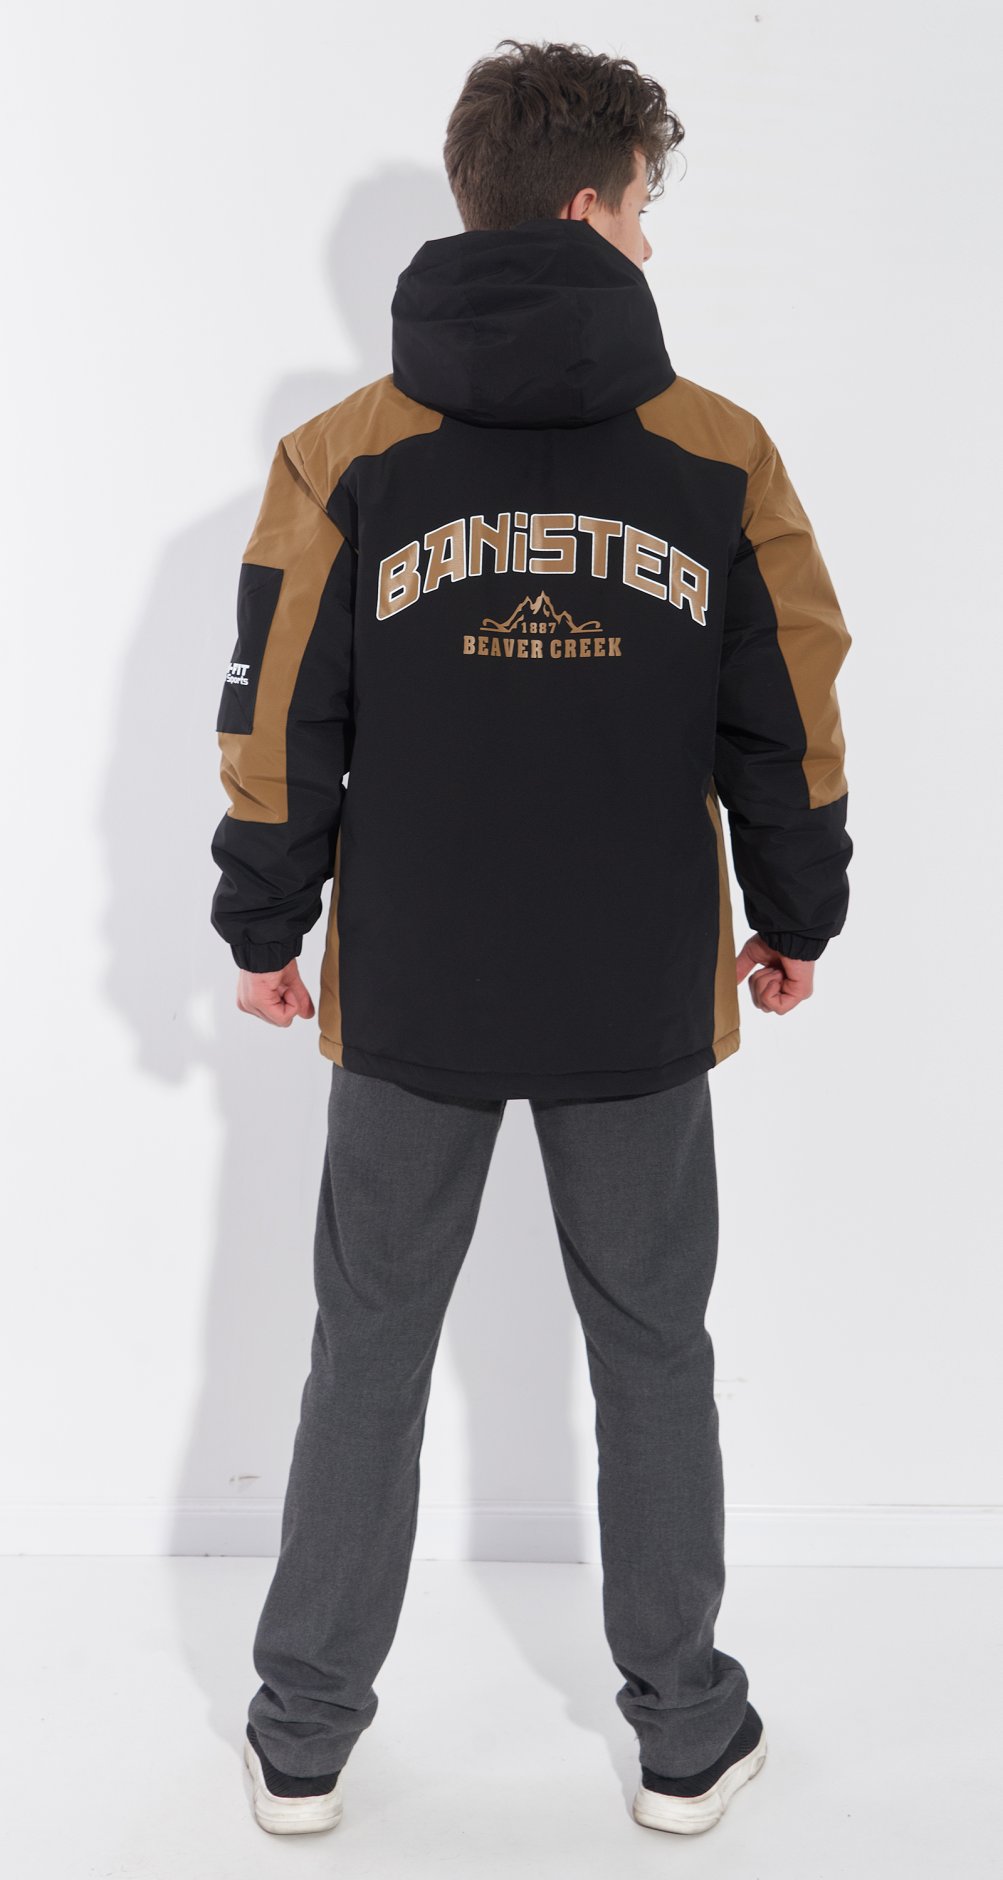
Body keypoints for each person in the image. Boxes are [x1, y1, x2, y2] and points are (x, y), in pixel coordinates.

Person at [209, 37, 851, 1839]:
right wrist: (798, 909)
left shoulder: (345, 455)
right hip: (637, 987)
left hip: (412, 986)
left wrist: (265, 918)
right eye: (643, 203)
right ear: (585, 206)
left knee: (367, 1345)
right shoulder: (720, 454)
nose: (650, 237)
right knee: (653, 1349)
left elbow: (277, 714)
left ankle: (302, 1738)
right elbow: (790, 714)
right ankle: (685, 1734)